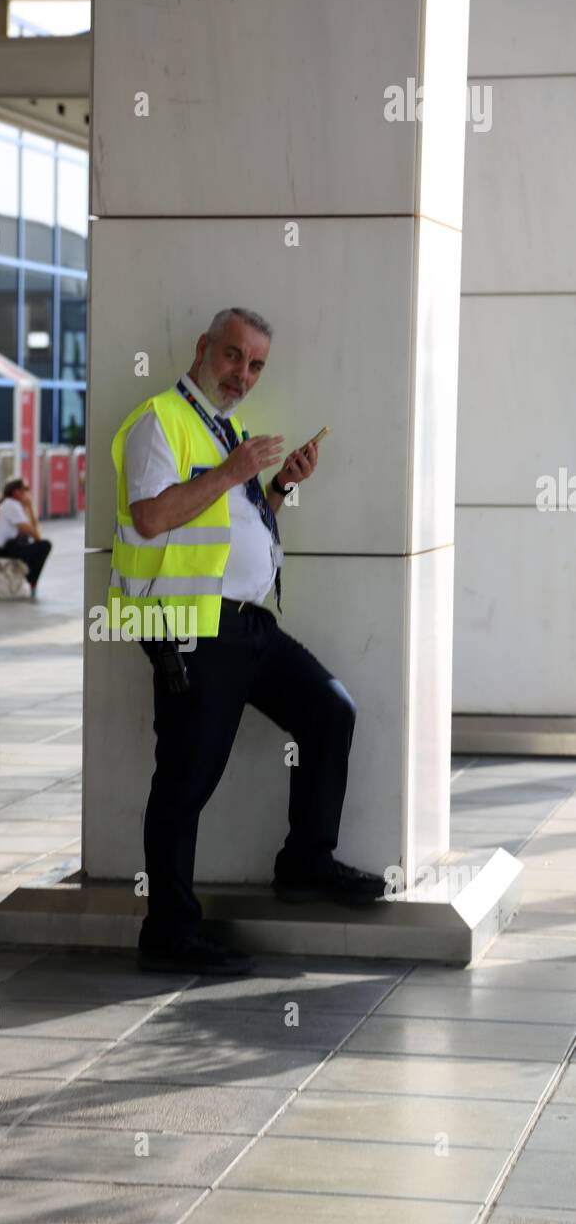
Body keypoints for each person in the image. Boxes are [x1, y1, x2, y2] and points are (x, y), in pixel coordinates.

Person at [108, 306, 386, 977]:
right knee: (186, 780)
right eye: (233, 356)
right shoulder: (159, 421)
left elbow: (231, 526)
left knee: (330, 710)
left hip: (244, 623)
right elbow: (150, 518)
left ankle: (305, 864)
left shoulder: (221, 429)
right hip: (188, 628)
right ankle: (169, 930)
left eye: (256, 364)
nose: (243, 374)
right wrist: (235, 472)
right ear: (204, 348)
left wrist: (279, 484)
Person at [0, 478, 52, 598]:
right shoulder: (12, 505)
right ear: (17, 493)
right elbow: (37, 536)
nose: (29, 493)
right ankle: (32, 583)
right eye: (26, 489)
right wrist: (31, 507)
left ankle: (29, 580)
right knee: (45, 545)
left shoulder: (6, 505)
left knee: (19, 541)